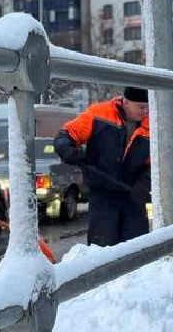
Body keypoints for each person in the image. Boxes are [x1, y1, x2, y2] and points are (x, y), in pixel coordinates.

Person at [55, 87, 151, 247]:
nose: (145, 111)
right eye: (141, 107)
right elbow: (66, 134)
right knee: (102, 247)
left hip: (134, 197)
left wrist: (143, 185)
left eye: (147, 107)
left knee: (137, 250)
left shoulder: (152, 125)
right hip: (103, 195)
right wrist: (67, 149)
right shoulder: (99, 114)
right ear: (125, 102)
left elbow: (156, 163)